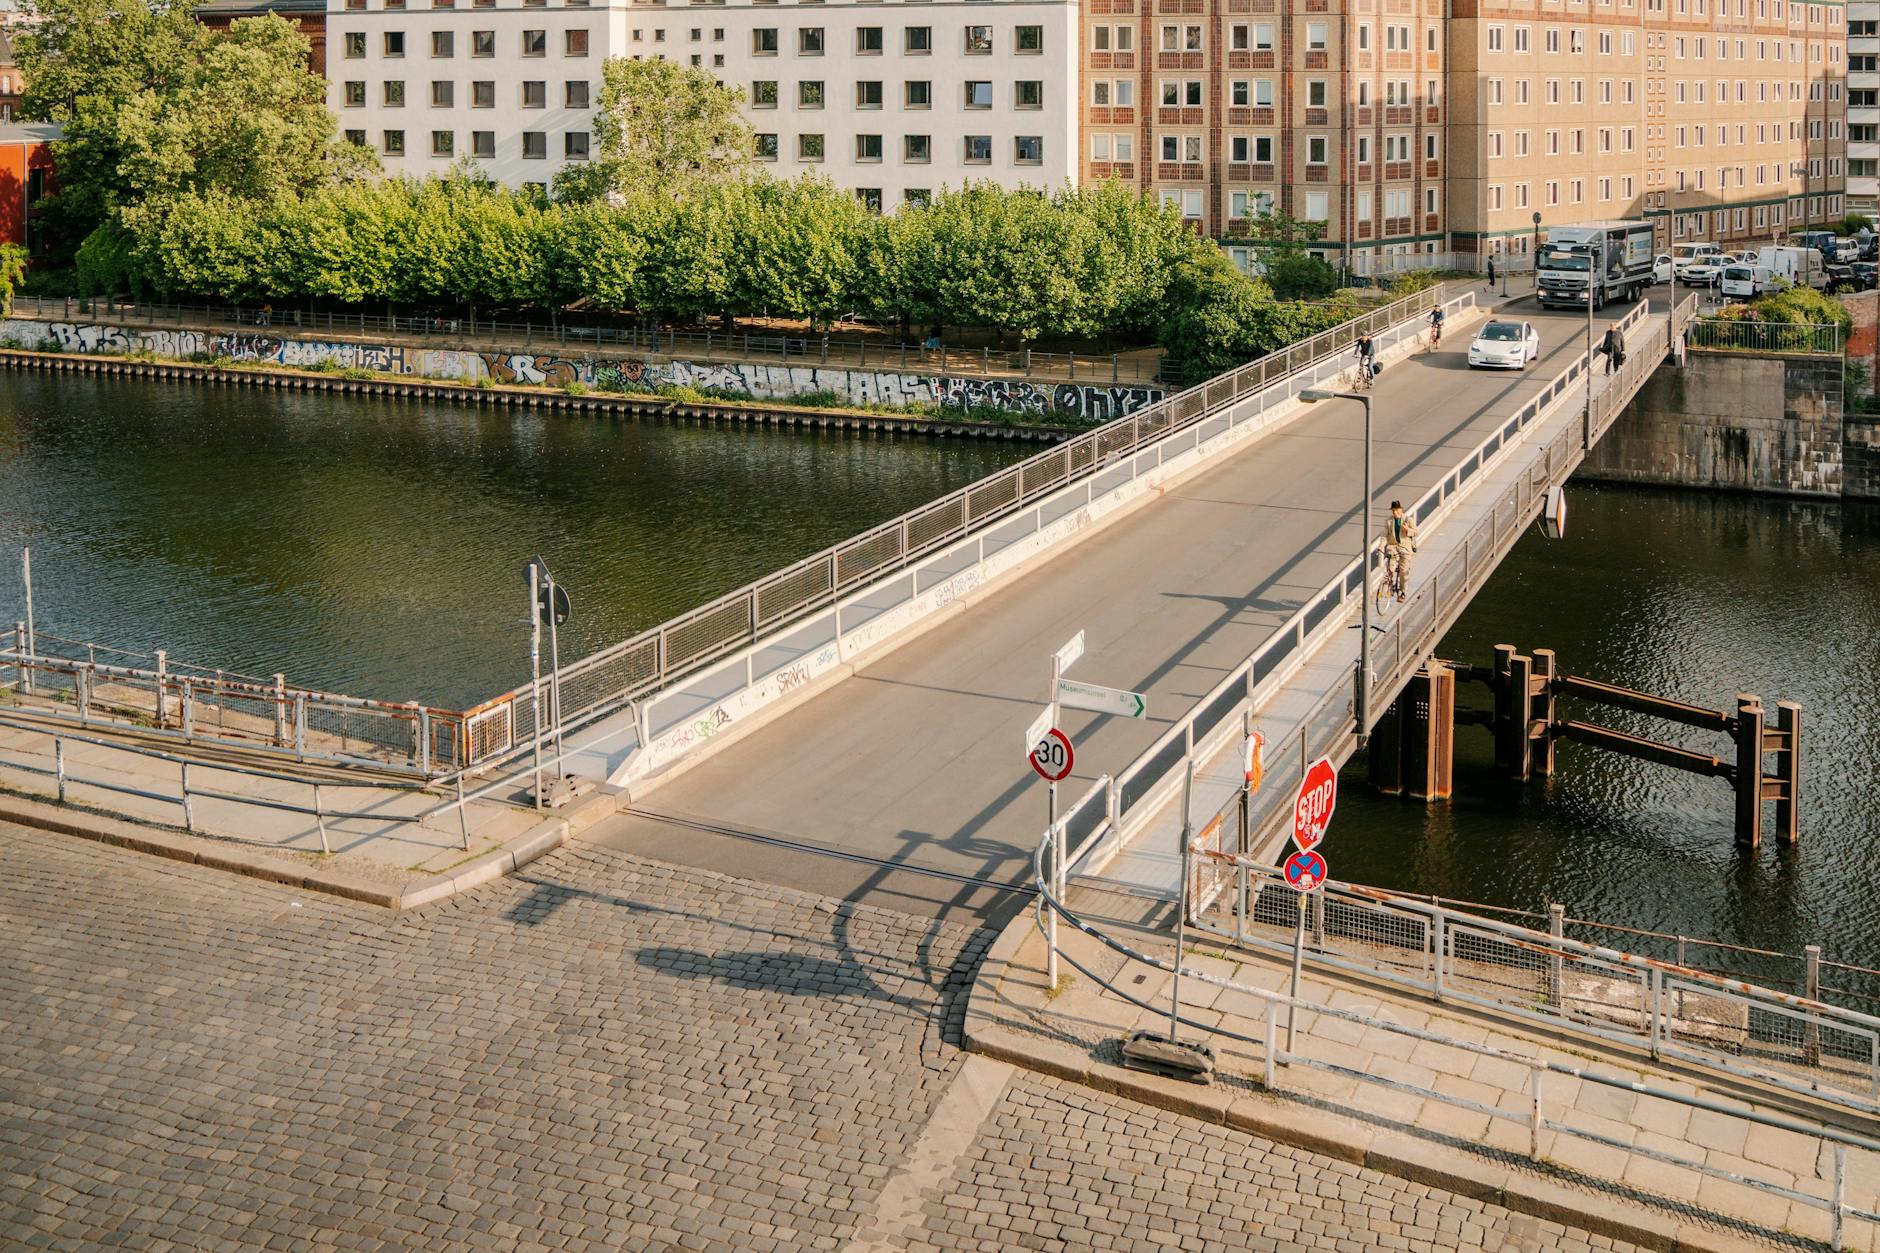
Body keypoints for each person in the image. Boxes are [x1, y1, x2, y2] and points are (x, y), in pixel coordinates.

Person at [1384, 501, 1418, 601]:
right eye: (1393, 510)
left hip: (1405, 548)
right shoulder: (1389, 521)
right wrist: (1381, 546)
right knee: (1390, 567)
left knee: (1403, 571)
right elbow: (1384, 534)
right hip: (1393, 547)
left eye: (1396, 510)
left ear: (1401, 510)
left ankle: (1403, 592)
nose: (1395, 512)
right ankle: (1389, 586)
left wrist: (1407, 530)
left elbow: (1416, 532)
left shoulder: (1408, 520)